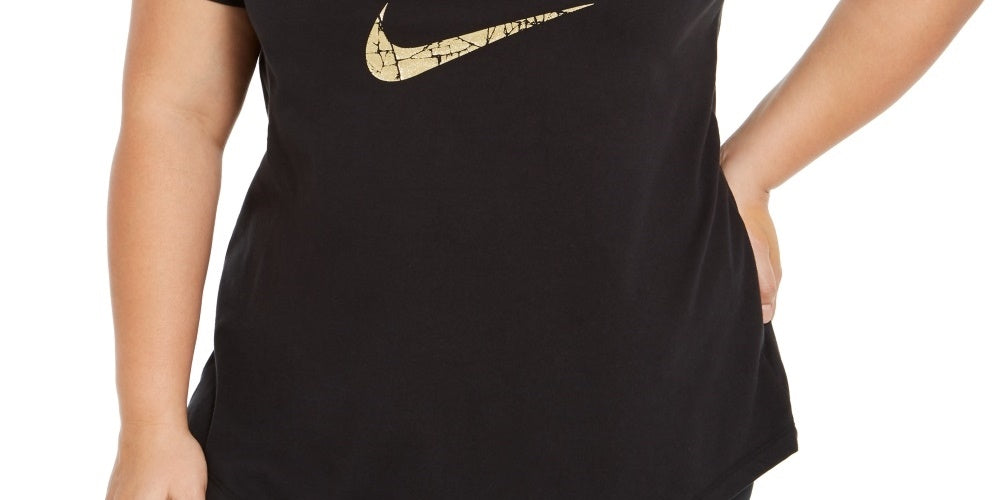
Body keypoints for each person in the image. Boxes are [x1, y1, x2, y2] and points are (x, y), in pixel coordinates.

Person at [104, 0, 983, 499]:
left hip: (643, 430)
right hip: (304, 440)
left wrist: (754, 169)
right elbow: (174, 109)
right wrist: (149, 423)